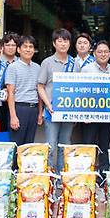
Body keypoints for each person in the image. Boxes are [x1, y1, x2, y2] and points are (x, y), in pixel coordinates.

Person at [37, 28, 76, 172]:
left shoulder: (74, 64)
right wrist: (48, 105)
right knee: (51, 145)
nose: (63, 44)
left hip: (68, 112)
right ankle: (49, 177)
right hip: (51, 111)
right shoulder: (47, 63)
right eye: (59, 41)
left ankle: (61, 176)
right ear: (54, 43)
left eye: (65, 41)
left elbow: (78, 88)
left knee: (64, 146)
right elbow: (40, 86)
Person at [81, 40, 110, 172]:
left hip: (107, 115)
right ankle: (87, 173)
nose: (103, 54)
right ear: (94, 53)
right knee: (88, 144)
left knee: (104, 144)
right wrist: (83, 113)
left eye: (106, 51)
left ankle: (103, 173)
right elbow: (80, 93)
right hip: (90, 115)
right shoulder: (86, 69)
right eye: (100, 52)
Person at [6, 35, 42, 145]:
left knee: (29, 145)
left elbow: (39, 92)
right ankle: (15, 163)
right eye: (25, 46)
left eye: (31, 47)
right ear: (18, 50)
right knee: (17, 144)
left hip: (33, 109)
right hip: (19, 109)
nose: (28, 49)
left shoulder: (37, 67)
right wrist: (13, 116)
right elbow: (10, 93)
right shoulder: (13, 67)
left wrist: (40, 113)